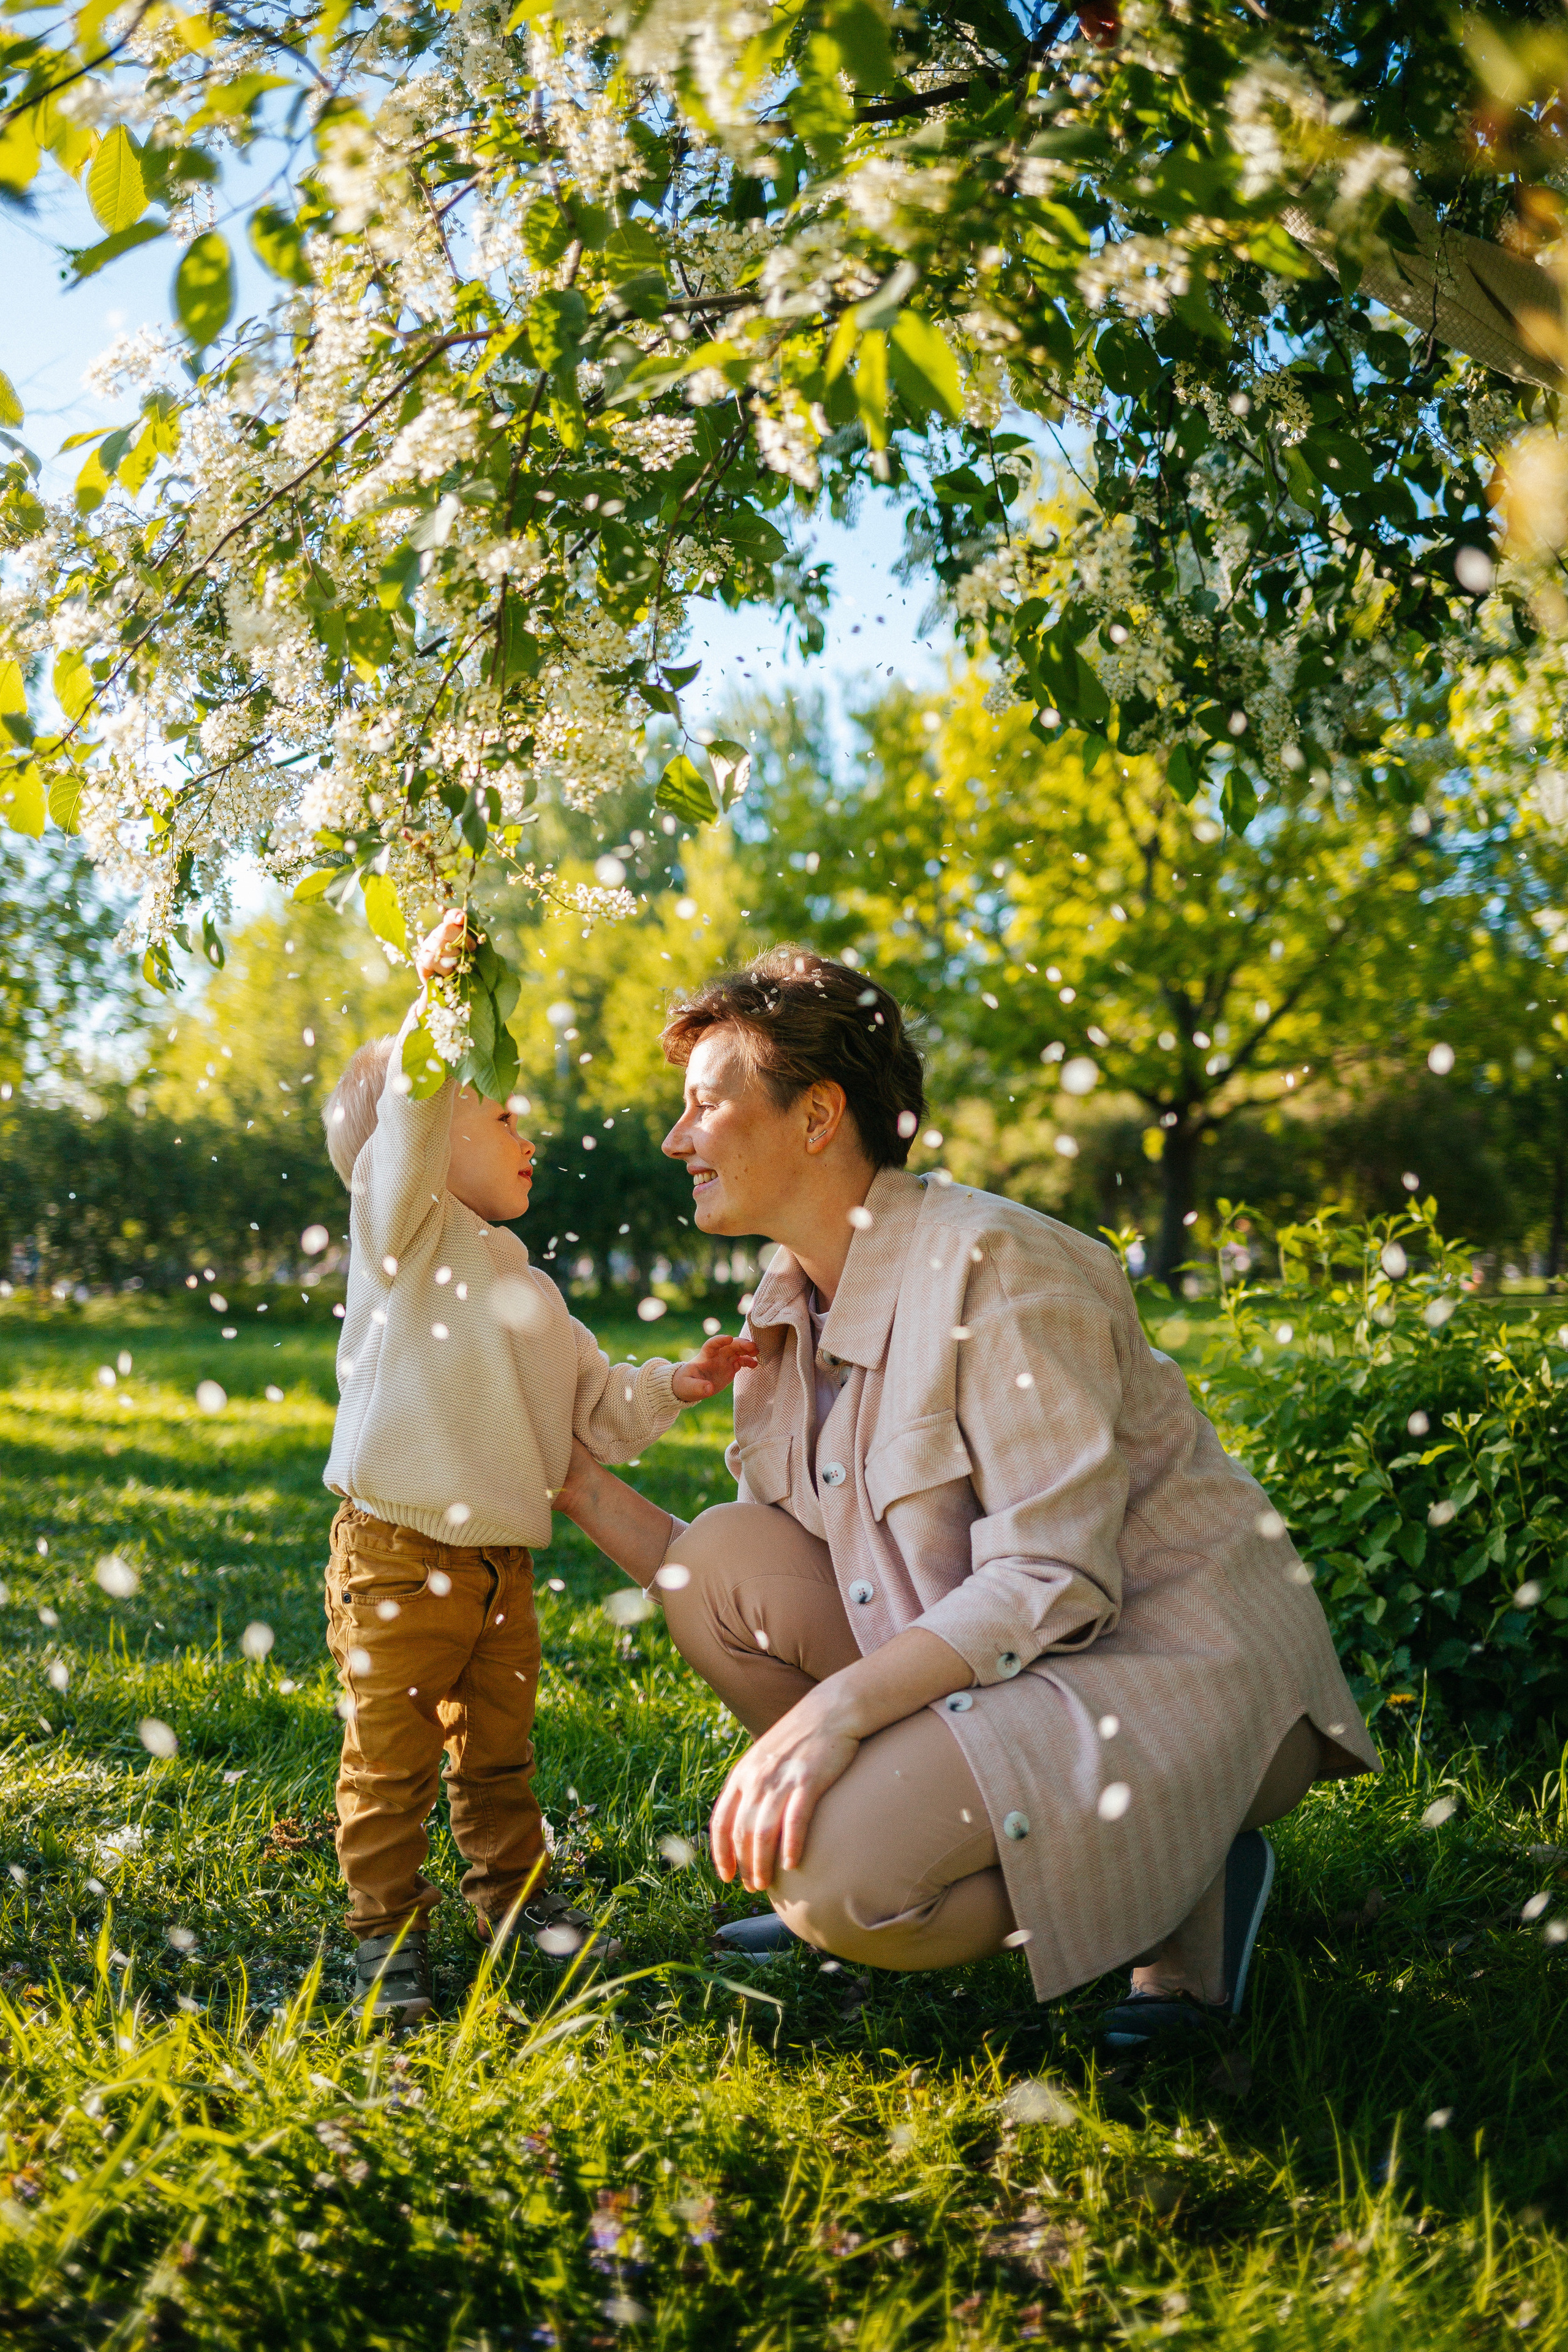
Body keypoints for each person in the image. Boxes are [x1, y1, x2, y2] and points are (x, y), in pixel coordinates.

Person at [556, 946, 1378, 2040]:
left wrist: (833, 1720)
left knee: (838, 1887)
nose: (676, 1138)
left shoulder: (999, 1264)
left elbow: (1057, 1578)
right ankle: (960, 1846)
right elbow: (804, 1575)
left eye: (707, 1105)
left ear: (817, 1118)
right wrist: (566, 1476)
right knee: (718, 1563)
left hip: (1170, 1673)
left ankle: (1184, 1886)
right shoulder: (787, 1300)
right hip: (1017, 1672)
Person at [318, 908, 755, 2019]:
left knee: (499, 1759)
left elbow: (593, 1415)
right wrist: (442, 1007)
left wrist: (677, 1384)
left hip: (500, 1567)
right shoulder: (401, 1240)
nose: (527, 1136)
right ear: (413, 1148)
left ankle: (516, 1910)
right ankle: (384, 1935)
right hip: (396, 1554)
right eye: (502, 1114)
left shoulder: (534, 1289)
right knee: (392, 1762)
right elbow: (413, 1115)